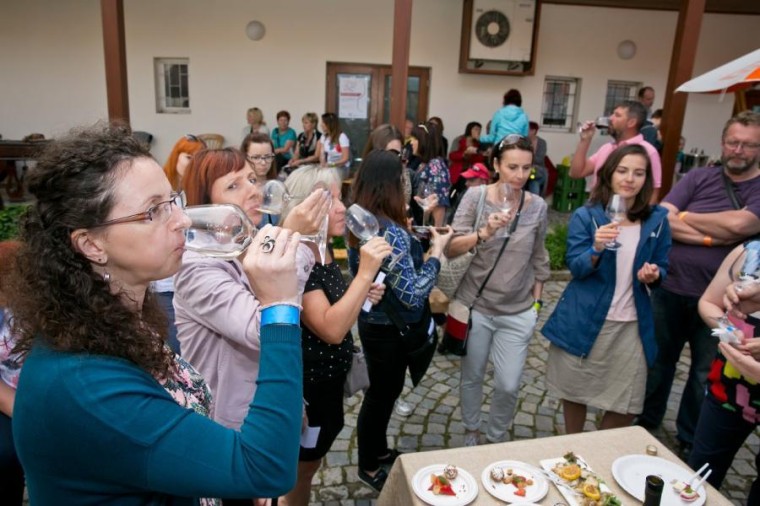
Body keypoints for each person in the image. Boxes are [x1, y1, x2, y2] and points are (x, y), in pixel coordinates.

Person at [7, 123, 305, 504]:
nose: (181, 220)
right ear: (91, 244)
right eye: (152, 211)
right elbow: (265, 469)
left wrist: (218, 468)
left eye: (172, 201)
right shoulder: (85, 384)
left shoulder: (114, 320)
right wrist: (279, 307)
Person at [638, 111, 760, 460]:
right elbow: (662, 216)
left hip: (726, 303)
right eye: (733, 142)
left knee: (706, 371)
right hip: (671, 288)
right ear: (722, 142)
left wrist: (687, 218)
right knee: (658, 362)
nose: (738, 150)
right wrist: (713, 238)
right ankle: (645, 422)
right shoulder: (698, 177)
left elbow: (742, 224)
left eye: (748, 145)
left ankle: (691, 437)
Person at [279, 165, 391, 506]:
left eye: (341, 198)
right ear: (305, 207)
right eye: (331, 201)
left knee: (309, 464)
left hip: (327, 384)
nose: (343, 208)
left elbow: (332, 307)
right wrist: (365, 274)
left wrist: (361, 293)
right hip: (308, 389)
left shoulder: (324, 247)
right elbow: (329, 328)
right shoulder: (298, 256)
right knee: (301, 468)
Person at [542, 144, 671, 433]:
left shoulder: (657, 220)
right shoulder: (587, 217)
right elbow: (576, 268)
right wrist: (596, 248)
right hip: (586, 317)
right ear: (609, 174)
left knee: (625, 401)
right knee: (574, 390)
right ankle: (573, 447)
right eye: (623, 171)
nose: (630, 178)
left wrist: (654, 274)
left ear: (646, 178)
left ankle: (602, 446)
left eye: (639, 173)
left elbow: (663, 265)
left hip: (631, 324)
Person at [349, 150, 452, 492]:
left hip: (374, 322)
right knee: (381, 395)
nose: (410, 184)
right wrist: (436, 252)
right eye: (404, 178)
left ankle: (377, 451)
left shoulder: (363, 219)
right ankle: (368, 465)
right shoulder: (389, 230)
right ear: (391, 184)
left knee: (384, 392)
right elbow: (413, 293)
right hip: (388, 329)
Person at [446, 134, 550, 447]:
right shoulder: (475, 197)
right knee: (473, 376)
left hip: (517, 311)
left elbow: (539, 256)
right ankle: (472, 430)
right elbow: (451, 247)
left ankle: (496, 436)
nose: (519, 175)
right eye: (512, 167)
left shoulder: (538, 206)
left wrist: (537, 305)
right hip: (477, 307)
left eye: (526, 169)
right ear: (496, 165)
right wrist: (485, 232)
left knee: (508, 384)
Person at [693, 239, 760, 503]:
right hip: (729, 387)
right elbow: (709, 303)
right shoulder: (749, 252)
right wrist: (728, 331)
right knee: (701, 471)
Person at [153, 134, 207, 353]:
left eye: (198, 158)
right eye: (188, 157)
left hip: (198, 283)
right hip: (167, 285)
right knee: (174, 351)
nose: (193, 163)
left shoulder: (203, 194)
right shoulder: (161, 196)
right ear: (176, 157)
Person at [570, 100, 662, 202]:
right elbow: (576, 173)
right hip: (596, 211)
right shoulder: (607, 148)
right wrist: (585, 140)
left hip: (627, 215)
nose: (610, 118)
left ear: (631, 122)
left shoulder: (648, 151)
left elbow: (653, 192)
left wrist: (645, 218)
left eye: (617, 115)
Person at [0, 241, 23, 506]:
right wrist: (24, 412)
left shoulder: (49, 310)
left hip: (53, 395)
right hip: (11, 399)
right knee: (5, 454)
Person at [409, 122, 451, 227]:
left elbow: (439, 204)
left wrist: (435, 235)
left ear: (424, 141)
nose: (411, 142)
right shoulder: (423, 164)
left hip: (427, 229)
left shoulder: (436, 166)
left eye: (415, 139)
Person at [448, 121, 485, 186]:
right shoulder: (459, 140)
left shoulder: (479, 143)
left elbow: (481, 159)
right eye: (476, 129)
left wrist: (477, 151)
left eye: (480, 130)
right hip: (458, 171)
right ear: (469, 129)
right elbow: (451, 155)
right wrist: (463, 154)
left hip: (472, 173)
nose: (478, 131)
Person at [315, 112, 351, 178]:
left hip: (341, 167)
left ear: (329, 124)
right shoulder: (323, 137)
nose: (321, 125)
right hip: (329, 166)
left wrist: (330, 165)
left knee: (328, 176)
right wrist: (323, 164)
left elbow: (345, 158)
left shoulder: (342, 137)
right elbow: (322, 154)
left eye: (323, 123)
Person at [525, 121, 548, 196]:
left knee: (534, 180)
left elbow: (539, 159)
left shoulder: (542, 142)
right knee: (533, 181)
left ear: (533, 131)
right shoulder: (524, 141)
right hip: (525, 168)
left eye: (527, 129)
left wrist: (530, 155)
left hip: (538, 170)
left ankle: (535, 204)